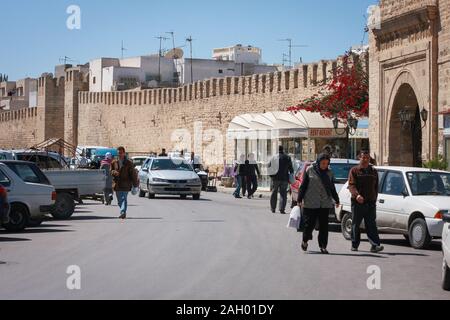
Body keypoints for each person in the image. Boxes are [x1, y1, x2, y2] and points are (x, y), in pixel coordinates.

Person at [297, 153, 340, 254]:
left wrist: (337, 200)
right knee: (309, 225)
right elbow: (303, 186)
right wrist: (299, 199)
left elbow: (332, 188)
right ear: (318, 162)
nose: (324, 165)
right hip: (311, 203)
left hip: (324, 203)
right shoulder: (310, 170)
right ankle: (305, 240)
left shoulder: (329, 173)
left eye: (326, 163)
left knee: (324, 227)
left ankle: (323, 246)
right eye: (323, 163)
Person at [348, 150, 384, 253]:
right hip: (358, 203)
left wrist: (374, 199)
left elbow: (376, 187)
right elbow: (351, 185)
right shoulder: (354, 171)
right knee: (356, 224)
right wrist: (357, 195)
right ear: (359, 157)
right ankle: (354, 244)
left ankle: (375, 245)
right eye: (363, 157)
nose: (365, 160)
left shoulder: (373, 171)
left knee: (371, 224)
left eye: (367, 158)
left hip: (370, 203)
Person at [110, 147, 139, 219]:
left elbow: (133, 174)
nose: (119, 154)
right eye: (118, 153)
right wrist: (114, 172)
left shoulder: (129, 163)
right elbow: (111, 171)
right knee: (119, 200)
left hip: (126, 183)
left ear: (124, 153)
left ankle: (123, 212)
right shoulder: (114, 162)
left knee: (123, 198)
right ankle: (122, 210)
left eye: (121, 153)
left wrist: (135, 184)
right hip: (117, 184)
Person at [269, 146, 294, 214]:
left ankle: (273, 208)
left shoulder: (273, 157)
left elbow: (269, 166)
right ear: (283, 150)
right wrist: (291, 176)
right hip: (284, 179)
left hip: (275, 178)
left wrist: (271, 176)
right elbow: (291, 169)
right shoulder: (287, 157)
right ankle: (282, 209)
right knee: (283, 194)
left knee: (274, 193)